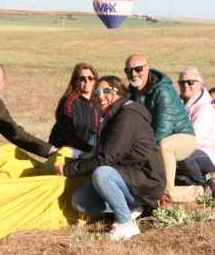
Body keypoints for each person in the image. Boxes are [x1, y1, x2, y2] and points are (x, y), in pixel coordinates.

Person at [56, 76, 165, 241]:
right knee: (80, 201)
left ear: (119, 92)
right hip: (127, 175)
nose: (101, 96)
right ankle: (130, 207)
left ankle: (126, 223)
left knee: (102, 174)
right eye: (97, 92)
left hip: (146, 179)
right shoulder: (112, 117)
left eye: (106, 91)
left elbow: (106, 158)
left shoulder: (127, 117)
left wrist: (68, 169)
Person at [125, 54, 196, 205]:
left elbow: (164, 128)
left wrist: (144, 149)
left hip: (182, 136)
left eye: (138, 69)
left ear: (147, 68)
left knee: (164, 145)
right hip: (153, 139)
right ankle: (184, 192)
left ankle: (176, 192)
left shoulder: (163, 90)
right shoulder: (131, 92)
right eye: (129, 70)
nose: (133, 73)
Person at [173, 67, 215, 200]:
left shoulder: (205, 108)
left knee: (184, 156)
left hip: (213, 151)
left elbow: (192, 139)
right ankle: (209, 177)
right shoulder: (179, 105)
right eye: (181, 82)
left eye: (190, 82)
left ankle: (205, 186)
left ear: (200, 84)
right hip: (193, 149)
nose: (185, 85)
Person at [48, 62, 101, 156]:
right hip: (68, 147)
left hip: (88, 144)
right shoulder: (70, 101)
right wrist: (90, 149)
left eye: (91, 77)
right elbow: (68, 136)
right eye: (82, 78)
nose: (87, 81)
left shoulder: (98, 99)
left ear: (95, 80)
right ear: (76, 81)